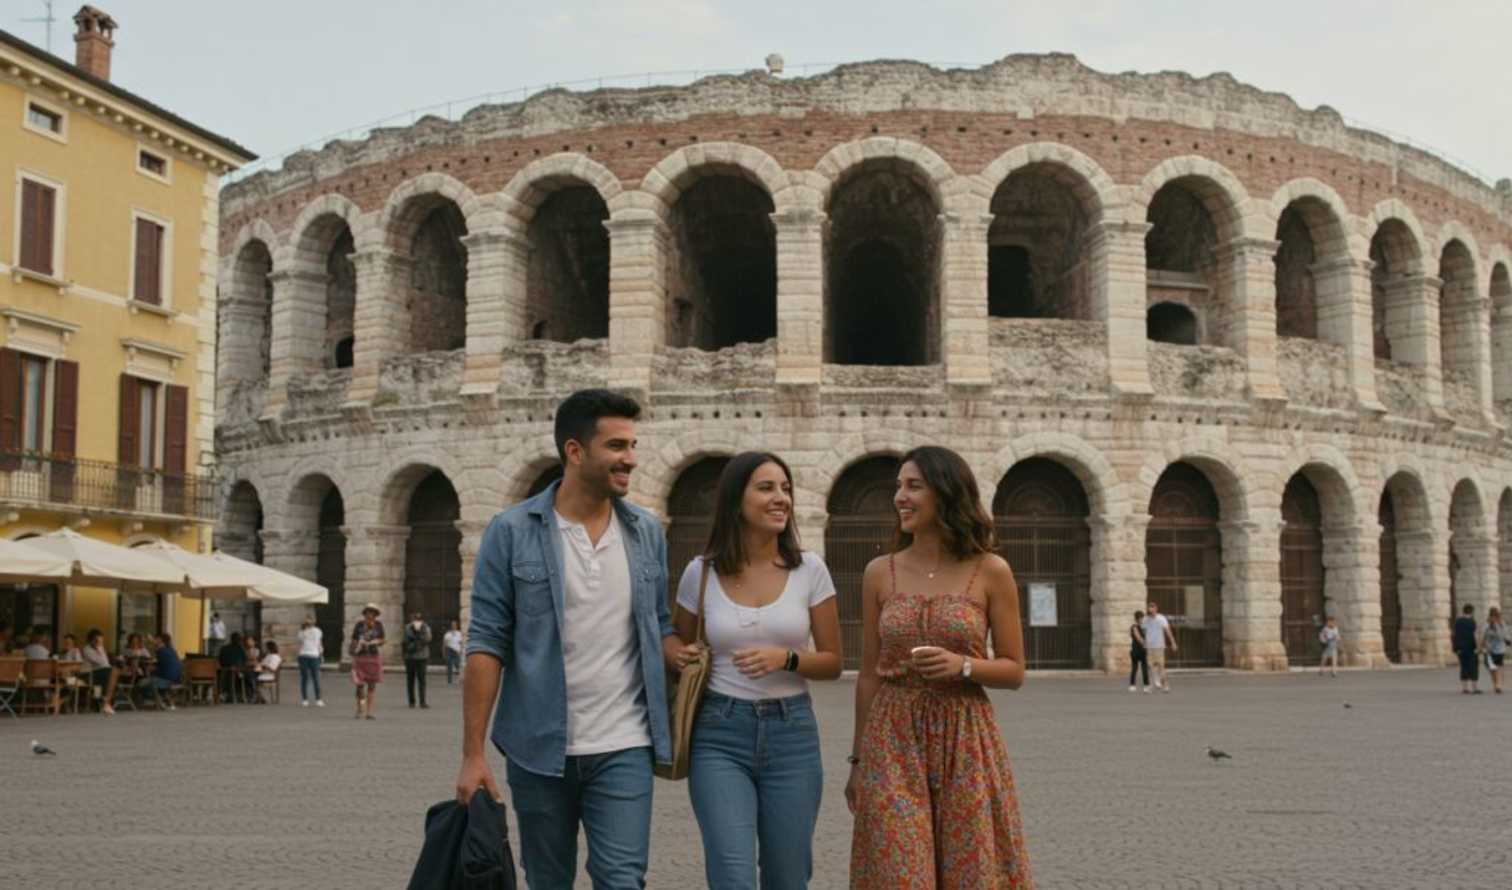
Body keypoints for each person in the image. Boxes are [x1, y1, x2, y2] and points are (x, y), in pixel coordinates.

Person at [456, 388, 675, 890]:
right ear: (575, 452)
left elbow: (657, 621)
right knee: (548, 881)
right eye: (617, 447)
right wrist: (472, 755)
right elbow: (486, 643)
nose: (632, 459)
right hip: (538, 747)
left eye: (633, 445)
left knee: (622, 880)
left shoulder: (646, 532)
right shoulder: (510, 532)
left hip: (626, 742)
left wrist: (680, 651)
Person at [847, 446, 1033, 889]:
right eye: (898, 487)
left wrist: (964, 665)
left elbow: (1014, 671)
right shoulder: (879, 572)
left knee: (970, 872)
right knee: (899, 874)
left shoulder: (991, 570)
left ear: (946, 493)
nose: (900, 497)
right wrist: (857, 761)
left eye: (913, 486)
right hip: (892, 738)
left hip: (965, 739)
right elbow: (870, 672)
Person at [665, 452, 843, 889]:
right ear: (735, 500)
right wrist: (675, 653)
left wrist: (786, 658)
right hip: (718, 734)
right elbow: (672, 637)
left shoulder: (810, 569)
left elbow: (834, 662)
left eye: (785, 488)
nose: (780, 498)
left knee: (788, 876)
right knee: (732, 874)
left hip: (792, 735)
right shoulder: (700, 572)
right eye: (766, 488)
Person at [351, 604, 386, 719]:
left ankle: (369, 711)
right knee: (359, 685)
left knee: (371, 685)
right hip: (360, 657)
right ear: (365, 613)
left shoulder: (378, 625)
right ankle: (360, 707)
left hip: (373, 657)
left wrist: (376, 642)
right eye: (368, 612)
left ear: (376, 614)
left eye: (373, 612)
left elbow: (383, 639)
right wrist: (357, 645)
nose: (370, 614)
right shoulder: (359, 625)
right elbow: (354, 640)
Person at [80, 629, 120, 715]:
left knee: (114, 673)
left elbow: (105, 663)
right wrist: (99, 649)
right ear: (91, 640)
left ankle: (105, 701)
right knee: (113, 673)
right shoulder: (87, 650)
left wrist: (100, 648)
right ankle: (106, 702)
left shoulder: (100, 647)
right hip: (89, 674)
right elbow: (101, 662)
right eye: (98, 640)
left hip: (102, 672)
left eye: (101, 640)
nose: (100, 642)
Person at [1141, 601, 1178, 692]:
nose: (1151, 609)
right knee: (1150, 666)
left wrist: (1173, 642)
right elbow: (1145, 631)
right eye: (1149, 607)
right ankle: (1153, 684)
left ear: (1156, 608)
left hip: (1159, 645)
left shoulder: (1161, 618)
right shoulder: (1145, 619)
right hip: (1149, 646)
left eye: (1153, 607)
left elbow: (1167, 631)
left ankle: (1165, 685)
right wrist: (1145, 642)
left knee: (1161, 666)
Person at [139, 633, 181, 711]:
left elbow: (155, 660)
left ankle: (159, 702)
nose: (154, 640)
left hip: (166, 679)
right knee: (158, 683)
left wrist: (150, 669)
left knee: (141, 683)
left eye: (156, 638)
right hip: (176, 679)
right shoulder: (171, 650)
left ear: (160, 640)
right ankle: (169, 704)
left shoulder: (160, 650)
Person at [403, 611, 433, 709]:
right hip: (420, 656)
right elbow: (428, 639)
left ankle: (414, 702)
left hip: (413, 656)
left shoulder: (408, 627)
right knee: (420, 680)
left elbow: (405, 641)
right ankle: (421, 702)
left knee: (413, 680)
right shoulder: (424, 627)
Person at [297, 617, 325, 707]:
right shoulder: (301, 632)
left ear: (314, 621)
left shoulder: (318, 631)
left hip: (314, 655)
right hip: (303, 655)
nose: (308, 622)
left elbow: (319, 643)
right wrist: (303, 629)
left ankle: (318, 699)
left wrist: (321, 653)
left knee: (316, 677)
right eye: (307, 620)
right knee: (304, 678)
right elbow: (300, 643)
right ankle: (305, 699)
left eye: (310, 620)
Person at [1452, 604, 1480, 694]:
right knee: (1473, 667)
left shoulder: (1457, 621)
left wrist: (1455, 647)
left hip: (1460, 648)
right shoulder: (1472, 622)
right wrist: (1478, 647)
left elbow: (1454, 635)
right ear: (1471, 612)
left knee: (1463, 667)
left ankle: (1465, 688)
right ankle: (1474, 688)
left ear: (1463, 611)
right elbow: (1475, 635)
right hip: (1471, 648)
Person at [1481, 607, 1509, 695]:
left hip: (1497, 650)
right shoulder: (1487, 625)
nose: (1493, 618)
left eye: (1494, 616)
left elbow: (1503, 636)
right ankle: (1496, 685)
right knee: (1493, 668)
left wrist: (1495, 630)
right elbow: (1483, 636)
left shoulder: (1501, 624)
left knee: (1496, 668)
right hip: (1490, 650)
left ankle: (1497, 685)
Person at [218, 631, 249, 702]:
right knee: (234, 675)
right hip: (236, 669)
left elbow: (221, 660)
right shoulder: (240, 649)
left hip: (227, 669)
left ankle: (226, 694)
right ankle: (233, 695)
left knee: (227, 675)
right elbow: (244, 660)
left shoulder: (224, 648)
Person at [1128, 609, 1150, 693]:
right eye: (1141, 618)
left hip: (1142, 650)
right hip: (1136, 650)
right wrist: (1146, 644)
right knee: (1135, 668)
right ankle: (1132, 685)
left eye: (1142, 618)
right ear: (1137, 618)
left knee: (1144, 668)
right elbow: (1138, 638)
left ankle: (1146, 686)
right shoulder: (1134, 627)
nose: (1142, 619)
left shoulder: (1144, 627)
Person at [442, 620, 464, 685]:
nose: (453, 626)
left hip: (456, 651)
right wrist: (444, 652)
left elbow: (461, 643)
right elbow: (444, 644)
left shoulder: (459, 633)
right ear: (451, 626)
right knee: (449, 666)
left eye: (454, 625)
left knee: (458, 665)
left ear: (456, 626)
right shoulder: (447, 634)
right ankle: (449, 681)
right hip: (449, 650)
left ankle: (460, 680)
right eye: (452, 625)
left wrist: (461, 651)